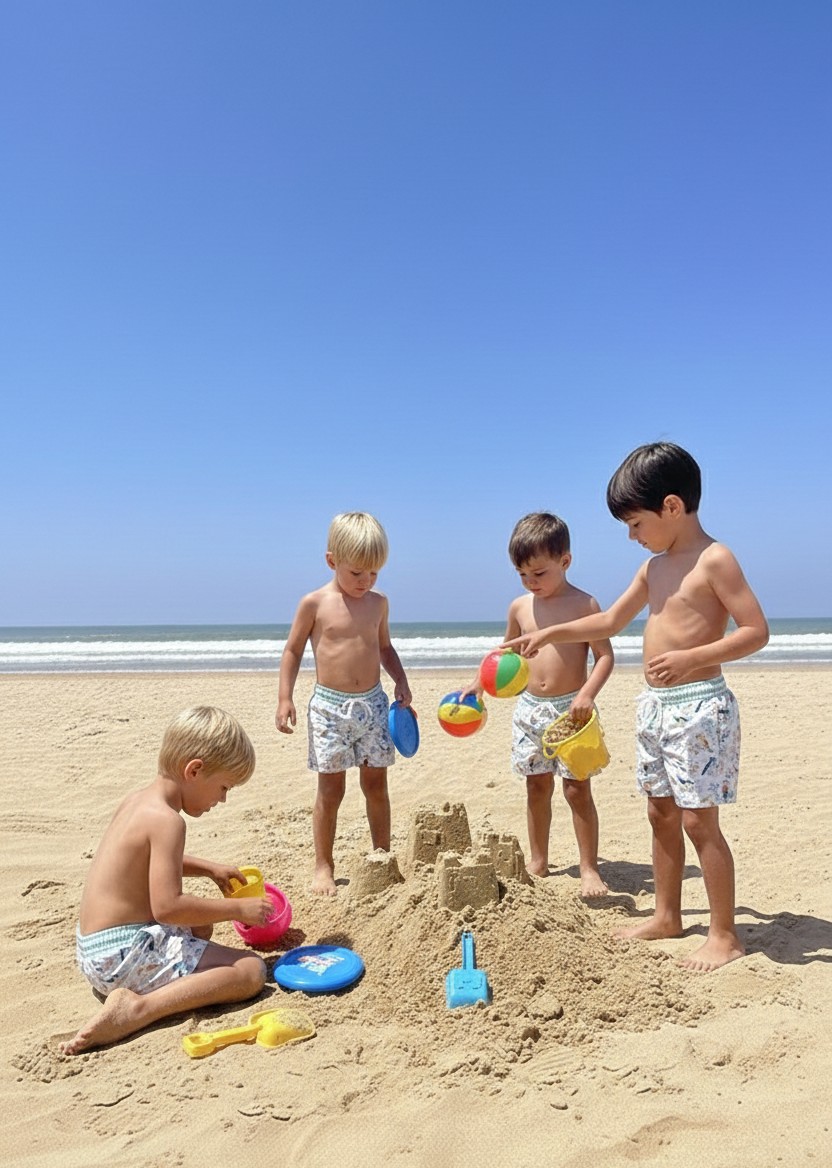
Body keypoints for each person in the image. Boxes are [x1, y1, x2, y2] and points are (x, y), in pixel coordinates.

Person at [505, 443, 769, 971]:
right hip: (655, 706)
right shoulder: (653, 568)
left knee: (699, 821)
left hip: (699, 706)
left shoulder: (714, 559)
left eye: (635, 523)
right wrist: (553, 629)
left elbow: (755, 632)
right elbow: (608, 624)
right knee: (660, 812)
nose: (631, 535)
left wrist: (694, 657)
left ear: (672, 507)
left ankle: (724, 935)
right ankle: (667, 915)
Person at [61, 706, 272, 1055]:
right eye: (223, 787)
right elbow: (168, 909)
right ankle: (138, 1009)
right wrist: (237, 908)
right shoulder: (169, 822)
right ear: (195, 770)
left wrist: (209, 868)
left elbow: (143, 860)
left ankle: (135, 993)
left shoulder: (138, 801)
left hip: (95, 952)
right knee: (250, 971)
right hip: (123, 957)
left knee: (201, 931)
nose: (222, 799)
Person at [463, 512, 613, 893]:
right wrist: (479, 684)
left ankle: (589, 867)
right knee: (536, 786)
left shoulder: (584, 604)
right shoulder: (519, 607)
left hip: (572, 711)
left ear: (565, 561)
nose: (532, 582)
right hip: (530, 708)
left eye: (539, 573)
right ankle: (539, 858)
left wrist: (586, 694)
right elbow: (505, 656)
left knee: (577, 789)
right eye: (522, 575)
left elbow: (605, 656)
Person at [276, 511, 412, 895]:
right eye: (356, 573)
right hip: (329, 709)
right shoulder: (314, 603)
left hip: (372, 704)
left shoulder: (379, 603)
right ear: (332, 560)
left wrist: (400, 679)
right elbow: (292, 650)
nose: (365, 581)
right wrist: (285, 697)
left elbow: (384, 647)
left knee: (376, 784)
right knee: (330, 790)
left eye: (374, 573)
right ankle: (324, 866)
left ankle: (381, 855)